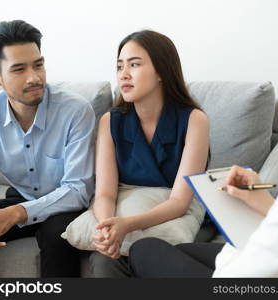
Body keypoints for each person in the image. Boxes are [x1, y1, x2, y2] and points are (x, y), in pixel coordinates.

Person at [128, 0, 278, 278]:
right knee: (161, 249)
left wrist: (238, 233)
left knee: (145, 250)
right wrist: (264, 203)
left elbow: (235, 276)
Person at [0, 20, 96, 277]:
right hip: (22, 196)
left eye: (38, 65)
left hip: (66, 204)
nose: (34, 77)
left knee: (59, 237)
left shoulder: (76, 110)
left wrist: (15, 214)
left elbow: (78, 189)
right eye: (19, 69)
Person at [89, 30, 210, 277]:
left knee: (157, 256)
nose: (124, 74)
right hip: (124, 212)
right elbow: (105, 193)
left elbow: (179, 202)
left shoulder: (194, 120)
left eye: (134, 64)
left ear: (161, 72)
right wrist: (107, 228)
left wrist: (127, 226)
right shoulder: (109, 122)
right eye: (119, 66)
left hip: (177, 216)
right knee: (103, 262)